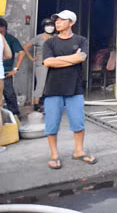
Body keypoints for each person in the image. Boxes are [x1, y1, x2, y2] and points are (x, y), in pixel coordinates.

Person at [42, 10, 96, 169]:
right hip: (53, 88)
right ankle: (54, 155)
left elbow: (82, 58)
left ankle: (79, 151)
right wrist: (72, 59)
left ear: (71, 22)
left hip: (75, 88)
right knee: (51, 124)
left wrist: (58, 59)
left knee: (78, 122)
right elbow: (48, 63)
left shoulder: (81, 40)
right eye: (56, 21)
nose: (57, 23)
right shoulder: (49, 43)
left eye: (61, 20)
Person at [24, 18, 57, 110]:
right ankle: (36, 105)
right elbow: (26, 46)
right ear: (44, 27)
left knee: (52, 84)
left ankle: (50, 104)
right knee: (40, 84)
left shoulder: (56, 37)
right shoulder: (39, 37)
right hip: (41, 63)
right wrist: (31, 58)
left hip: (53, 63)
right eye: (47, 25)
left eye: (51, 25)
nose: (50, 27)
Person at [0, 18, 23, 117]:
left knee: (9, 95)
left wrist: (16, 69)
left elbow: (21, 52)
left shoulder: (10, 39)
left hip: (6, 72)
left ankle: (15, 116)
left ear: (3, 28)